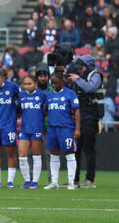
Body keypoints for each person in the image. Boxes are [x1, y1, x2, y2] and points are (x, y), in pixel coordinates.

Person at [67, 55, 104, 188]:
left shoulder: (96, 76)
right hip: (78, 117)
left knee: (89, 149)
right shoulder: (80, 77)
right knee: (75, 150)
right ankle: (74, 179)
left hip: (90, 117)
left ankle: (89, 179)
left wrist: (77, 79)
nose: (79, 70)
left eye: (81, 67)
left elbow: (90, 88)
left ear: (88, 66)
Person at [44, 72, 80, 190]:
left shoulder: (70, 94)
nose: (53, 85)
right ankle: (54, 182)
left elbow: (76, 112)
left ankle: (71, 182)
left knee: (69, 153)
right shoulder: (49, 95)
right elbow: (46, 111)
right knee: (53, 154)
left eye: (55, 83)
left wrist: (77, 129)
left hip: (66, 128)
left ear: (62, 82)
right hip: (52, 128)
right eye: (51, 83)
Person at [0, 68, 20, 188]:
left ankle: (10, 181)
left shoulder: (12, 87)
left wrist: (15, 113)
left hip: (8, 125)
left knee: (10, 152)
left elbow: (21, 100)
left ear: (2, 79)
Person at [18, 76, 47, 189]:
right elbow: (18, 110)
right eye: (25, 84)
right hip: (24, 129)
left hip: (37, 128)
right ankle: (27, 180)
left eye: (29, 84)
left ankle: (35, 181)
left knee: (36, 156)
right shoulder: (21, 95)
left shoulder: (42, 95)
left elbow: (47, 110)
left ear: (35, 83)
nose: (27, 86)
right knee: (22, 156)